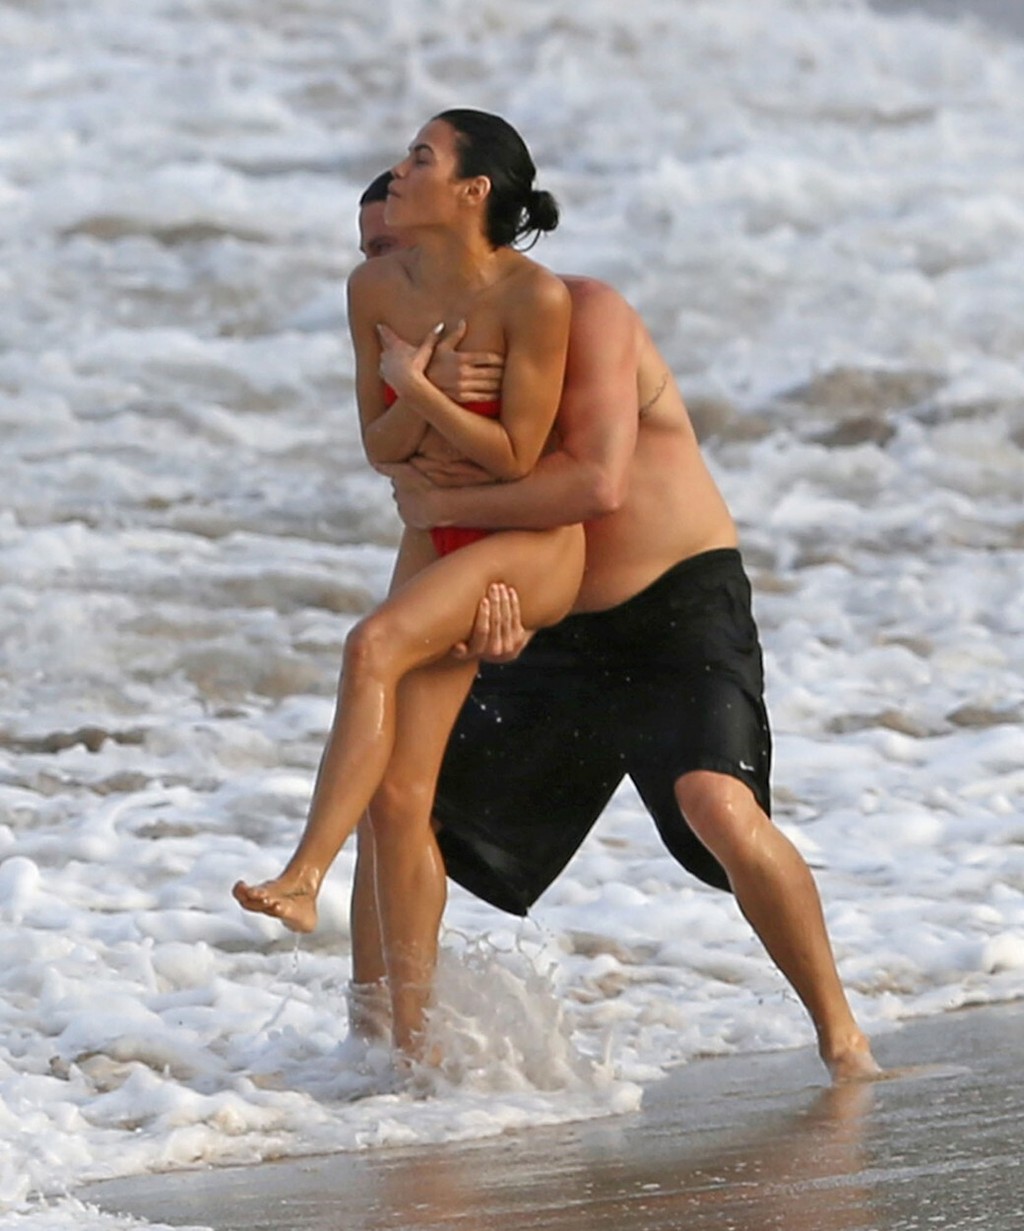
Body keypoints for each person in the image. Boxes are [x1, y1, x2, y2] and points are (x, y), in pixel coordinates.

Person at [348, 179, 880, 1083]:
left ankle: (846, 1043)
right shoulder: (421, 376)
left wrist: (442, 493)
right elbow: (431, 521)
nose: (385, 271)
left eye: (394, 246)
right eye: (370, 255)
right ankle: (381, 1052)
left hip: (673, 606)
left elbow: (595, 483)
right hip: (549, 623)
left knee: (717, 804)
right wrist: (486, 616)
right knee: (396, 800)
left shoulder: (583, 314)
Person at [233, 109, 585, 1058]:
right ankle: (407, 1050)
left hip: (528, 543)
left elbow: (516, 457)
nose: (397, 171)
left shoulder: (535, 298)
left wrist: (418, 392)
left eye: (418, 157)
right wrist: (420, 383)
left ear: (472, 190)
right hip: (436, 530)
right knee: (398, 800)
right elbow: (379, 448)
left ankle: (304, 874)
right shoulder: (374, 289)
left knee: (371, 644)